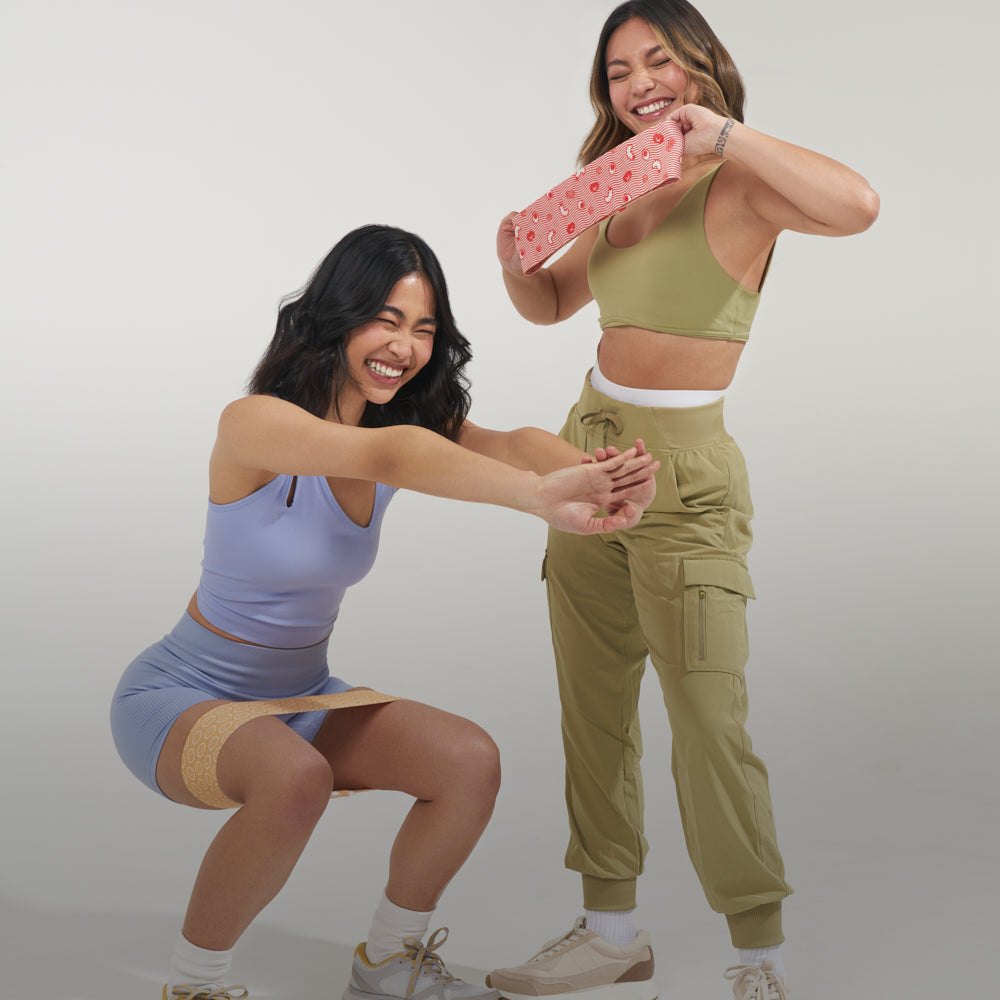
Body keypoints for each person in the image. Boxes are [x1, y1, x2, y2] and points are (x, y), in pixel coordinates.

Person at [110, 224, 659, 1000]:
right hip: (180, 700)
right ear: (337, 318)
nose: (405, 346)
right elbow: (391, 456)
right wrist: (541, 503)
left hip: (298, 699)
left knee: (468, 760)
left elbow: (513, 442)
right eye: (387, 320)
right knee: (296, 779)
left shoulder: (400, 421)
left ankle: (389, 963)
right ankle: (194, 986)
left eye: (425, 330)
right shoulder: (255, 424)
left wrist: (605, 476)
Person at [487, 3, 879, 999]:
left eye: (656, 59)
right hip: (589, 452)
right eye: (617, 70)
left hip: (686, 477)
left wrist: (727, 134)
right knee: (595, 706)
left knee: (709, 718)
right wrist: (511, 261)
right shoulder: (625, 184)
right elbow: (553, 302)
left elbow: (859, 205)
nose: (636, 82)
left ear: (702, 64)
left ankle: (759, 957)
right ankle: (609, 930)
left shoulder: (743, 181)